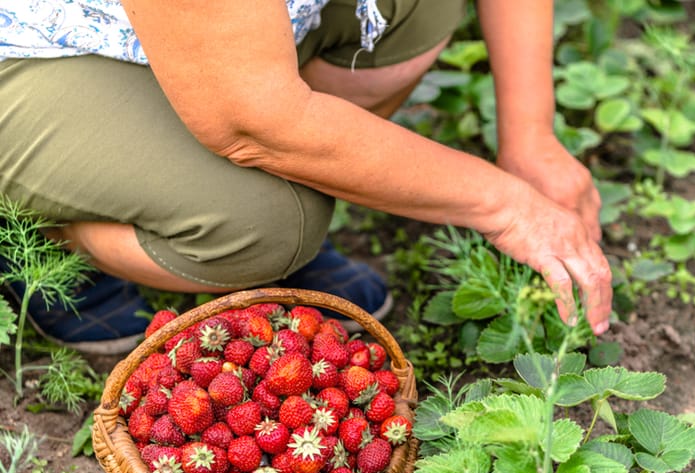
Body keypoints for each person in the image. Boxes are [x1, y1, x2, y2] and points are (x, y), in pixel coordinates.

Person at [0, 0, 613, 355]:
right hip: (39, 45)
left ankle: (234, 178)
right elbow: (250, 121)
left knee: (419, 11)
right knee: (268, 225)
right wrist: (506, 207)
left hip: (220, 32)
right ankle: (41, 240)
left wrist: (531, 137)